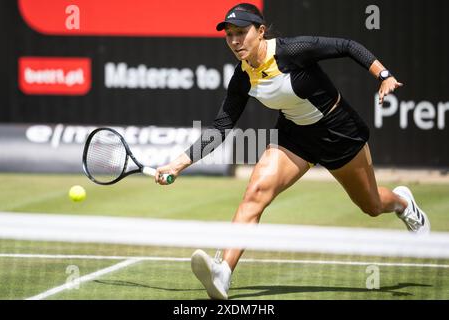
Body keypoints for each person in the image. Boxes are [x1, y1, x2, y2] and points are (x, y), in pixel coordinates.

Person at [154, 3, 430, 300]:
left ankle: (403, 203)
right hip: (295, 136)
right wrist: (178, 164)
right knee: (255, 193)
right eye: (229, 35)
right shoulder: (242, 77)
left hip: (339, 132)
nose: (234, 41)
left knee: (372, 205)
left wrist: (383, 75)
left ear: (260, 32)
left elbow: (348, 46)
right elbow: (222, 126)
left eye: (241, 33)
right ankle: (223, 272)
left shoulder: (293, 51)